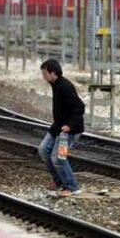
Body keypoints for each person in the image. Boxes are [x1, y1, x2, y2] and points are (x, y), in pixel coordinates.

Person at [38, 59, 85, 197]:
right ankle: (59, 181)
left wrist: (69, 125)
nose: (43, 77)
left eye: (45, 74)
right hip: (58, 127)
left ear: (53, 73)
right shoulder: (55, 84)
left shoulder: (65, 86)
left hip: (69, 130)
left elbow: (80, 107)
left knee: (58, 158)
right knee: (43, 150)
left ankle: (72, 187)